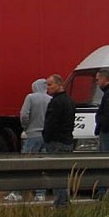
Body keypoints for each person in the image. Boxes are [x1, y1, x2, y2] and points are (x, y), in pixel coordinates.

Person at [9, 78, 51, 202]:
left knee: (25, 163)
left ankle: (17, 192)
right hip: (46, 135)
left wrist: (26, 127)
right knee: (41, 164)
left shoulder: (31, 97)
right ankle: (40, 194)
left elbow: (24, 115)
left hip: (32, 134)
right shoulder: (50, 99)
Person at [42, 74, 76, 208]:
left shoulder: (56, 102)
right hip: (67, 140)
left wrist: (46, 137)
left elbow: (51, 123)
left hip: (57, 142)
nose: (48, 88)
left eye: (50, 85)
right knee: (64, 175)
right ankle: (64, 201)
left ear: (59, 85)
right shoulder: (69, 101)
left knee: (57, 175)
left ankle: (61, 204)